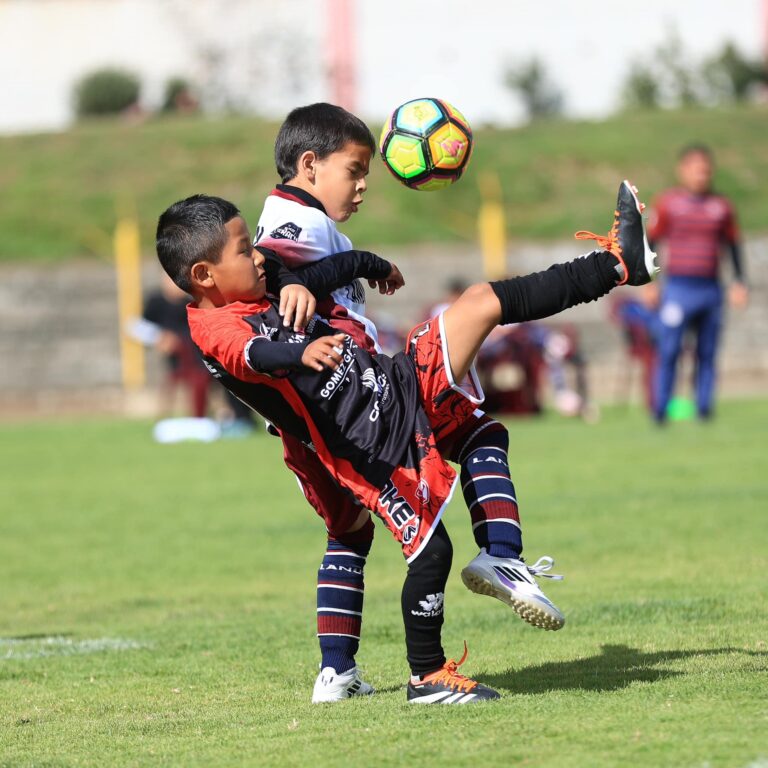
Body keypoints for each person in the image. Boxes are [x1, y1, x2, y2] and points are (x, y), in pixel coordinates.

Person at [154, 181, 658, 703]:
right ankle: (428, 676)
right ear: (203, 275)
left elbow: (317, 274)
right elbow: (254, 353)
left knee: (481, 317)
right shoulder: (212, 326)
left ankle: (616, 265)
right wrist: (299, 355)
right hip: (366, 441)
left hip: (391, 382)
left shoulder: (263, 284)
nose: (259, 256)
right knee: (430, 549)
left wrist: (366, 264)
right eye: (244, 250)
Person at [253, 103, 549, 703]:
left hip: (317, 419)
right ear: (309, 166)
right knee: (474, 443)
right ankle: (476, 595)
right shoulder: (292, 220)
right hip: (351, 411)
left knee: (349, 534)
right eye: (355, 170)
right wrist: (362, 264)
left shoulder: (312, 221)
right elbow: (274, 270)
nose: (363, 187)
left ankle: (335, 673)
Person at [646, 144, 748, 423]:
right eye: (696, 169)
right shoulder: (668, 203)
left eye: (706, 169)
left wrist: (739, 282)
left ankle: (704, 409)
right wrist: (649, 282)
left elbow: (734, 245)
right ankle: (660, 411)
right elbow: (651, 242)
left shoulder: (721, 206)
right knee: (669, 349)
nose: (702, 175)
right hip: (678, 287)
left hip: (710, 288)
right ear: (683, 170)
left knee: (707, 351)